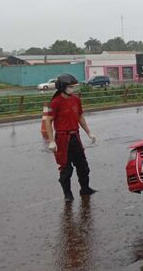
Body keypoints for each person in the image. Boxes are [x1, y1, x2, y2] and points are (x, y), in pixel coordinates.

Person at [44, 74, 97, 202]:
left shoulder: (76, 99)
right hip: (62, 138)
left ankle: (85, 189)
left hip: (75, 136)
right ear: (62, 87)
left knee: (83, 166)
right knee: (66, 169)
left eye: (73, 86)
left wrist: (89, 132)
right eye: (70, 86)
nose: (72, 89)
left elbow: (80, 117)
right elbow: (48, 121)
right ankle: (67, 194)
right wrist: (51, 141)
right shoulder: (55, 102)